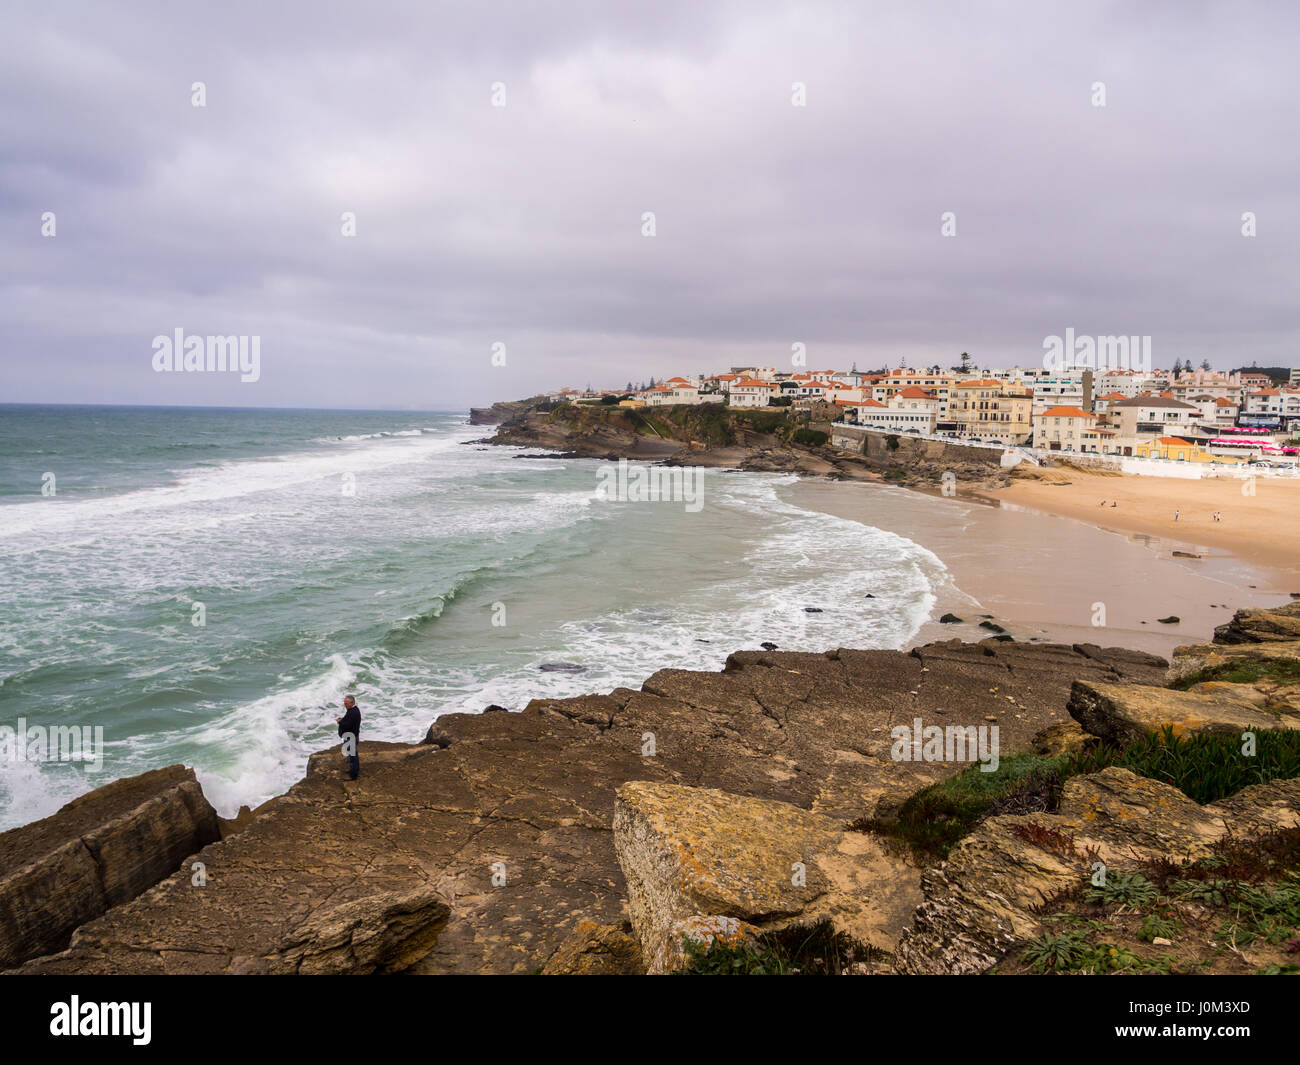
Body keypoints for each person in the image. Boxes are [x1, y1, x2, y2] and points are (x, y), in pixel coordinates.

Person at [336, 695, 361, 780]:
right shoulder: (352, 710)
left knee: (352, 756)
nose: (345, 705)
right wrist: (343, 720)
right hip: (352, 736)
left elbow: (348, 725)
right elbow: (349, 721)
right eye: (344, 703)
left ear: (352, 703)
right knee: (352, 755)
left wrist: (340, 722)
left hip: (351, 737)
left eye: (346, 703)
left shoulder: (353, 712)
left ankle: (353, 775)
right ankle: (353, 771)